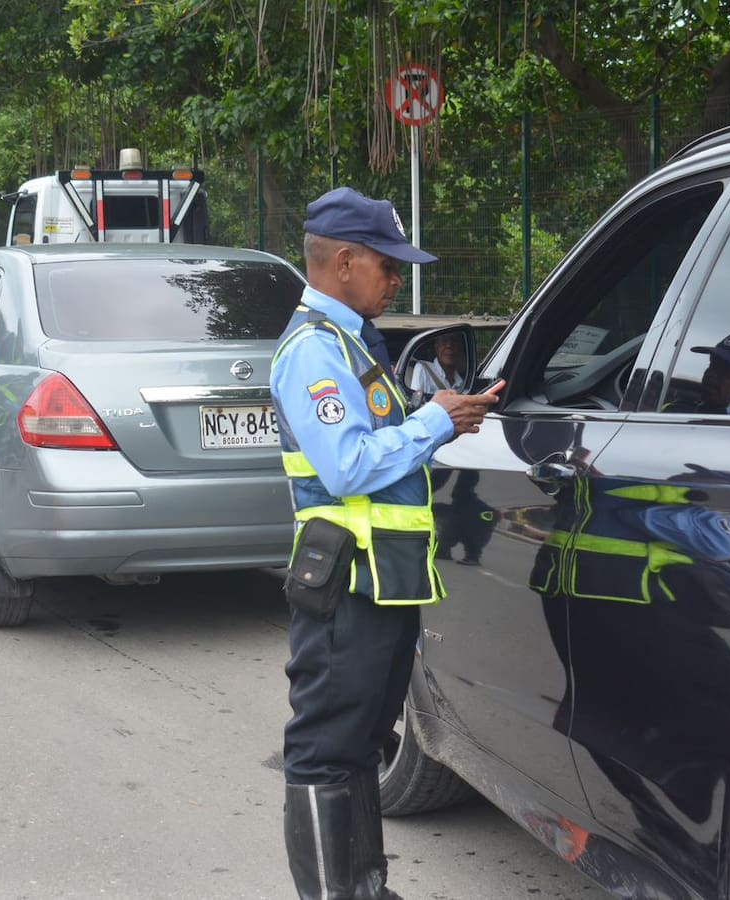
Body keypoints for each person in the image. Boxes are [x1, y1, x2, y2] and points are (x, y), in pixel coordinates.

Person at [270, 186, 498, 899]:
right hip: (346, 583)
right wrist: (432, 421)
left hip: (383, 579)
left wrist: (445, 420)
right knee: (324, 751)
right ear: (343, 262)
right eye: (387, 265)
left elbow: (379, 453)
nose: (397, 279)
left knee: (362, 748)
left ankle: (365, 888)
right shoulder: (314, 351)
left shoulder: (352, 345)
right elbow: (347, 467)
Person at [408, 331, 466, 395]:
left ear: (459, 348)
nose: (449, 345)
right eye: (444, 341)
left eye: (454, 340)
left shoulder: (462, 382)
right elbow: (415, 400)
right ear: (436, 347)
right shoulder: (423, 369)